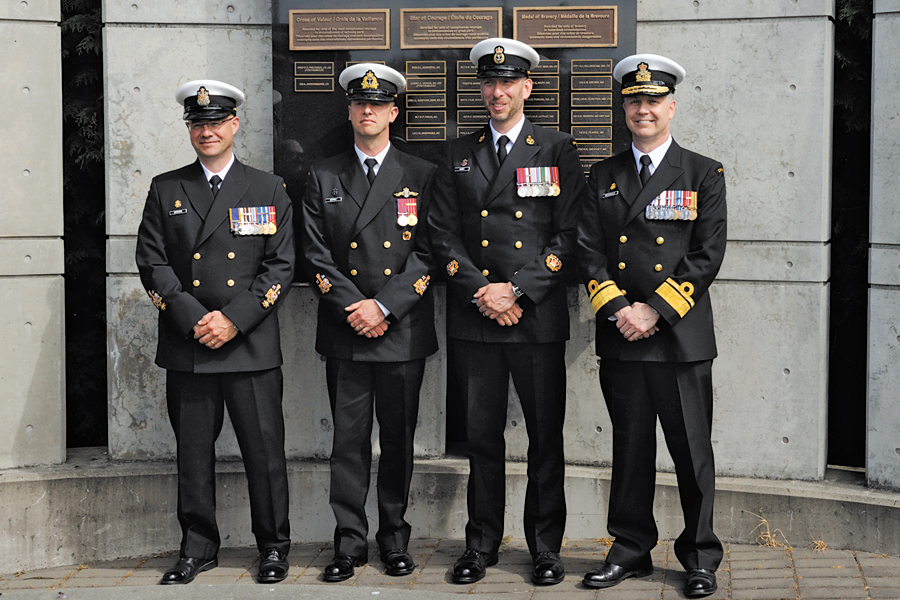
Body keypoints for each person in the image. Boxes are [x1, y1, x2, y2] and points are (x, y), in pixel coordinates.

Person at [427, 38, 585, 586]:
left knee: (546, 438)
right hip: (477, 318)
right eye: (489, 83)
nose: (497, 92)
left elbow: (571, 234)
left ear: (527, 87)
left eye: (507, 82)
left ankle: (545, 546)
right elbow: (442, 235)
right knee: (482, 439)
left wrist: (516, 290)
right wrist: (483, 292)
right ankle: (480, 544)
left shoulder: (557, 149)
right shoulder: (456, 153)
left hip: (536, 318)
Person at [576, 54, 727, 598]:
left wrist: (654, 311)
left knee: (692, 452)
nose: (644, 109)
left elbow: (707, 255)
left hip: (679, 338)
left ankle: (700, 555)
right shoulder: (603, 175)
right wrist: (618, 308)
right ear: (624, 107)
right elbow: (588, 250)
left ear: (672, 106)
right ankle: (631, 548)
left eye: (653, 100)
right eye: (634, 100)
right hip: (622, 334)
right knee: (631, 449)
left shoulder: (703, 172)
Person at [135, 80, 294, 585]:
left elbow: (281, 265)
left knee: (264, 454)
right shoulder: (167, 188)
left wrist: (234, 318)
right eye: (197, 124)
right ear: (190, 130)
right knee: (193, 455)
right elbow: (152, 261)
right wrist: (191, 316)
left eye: (215, 123)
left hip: (249, 343)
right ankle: (198, 546)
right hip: (191, 344)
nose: (206, 131)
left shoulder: (268, 188)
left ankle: (272, 547)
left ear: (235, 126)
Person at [301, 63, 439, 583]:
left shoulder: (421, 174)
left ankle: (395, 539)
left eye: (377, 105)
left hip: (400, 329)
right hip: (346, 329)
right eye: (360, 104)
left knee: (399, 442)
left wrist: (384, 307)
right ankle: (349, 542)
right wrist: (355, 307)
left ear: (393, 112)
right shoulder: (324, 174)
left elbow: (430, 251)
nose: (367, 112)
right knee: (349, 442)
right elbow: (314, 255)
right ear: (351, 112)